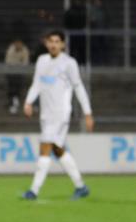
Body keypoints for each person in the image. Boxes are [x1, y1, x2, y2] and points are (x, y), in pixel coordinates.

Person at [22, 31, 94, 200]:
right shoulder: (42, 61)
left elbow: (79, 87)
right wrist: (28, 102)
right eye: (51, 41)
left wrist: (88, 113)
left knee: (45, 147)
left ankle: (34, 190)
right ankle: (81, 186)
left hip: (60, 114)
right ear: (46, 43)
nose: (54, 44)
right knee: (58, 149)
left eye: (57, 41)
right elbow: (37, 84)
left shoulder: (69, 63)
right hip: (46, 115)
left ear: (62, 44)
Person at [4, 39, 30, 115]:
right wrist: (18, 64)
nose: (18, 46)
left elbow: (25, 62)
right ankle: (12, 100)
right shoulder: (11, 49)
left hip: (20, 73)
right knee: (11, 84)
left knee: (18, 83)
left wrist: (18, 66)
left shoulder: (25, 50)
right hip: (11, 72)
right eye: (17, 44)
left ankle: (16, 99)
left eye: (20, 44)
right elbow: (8, 61)